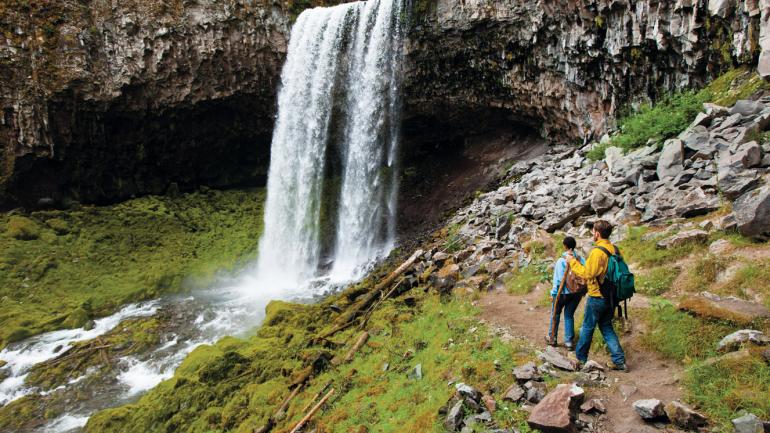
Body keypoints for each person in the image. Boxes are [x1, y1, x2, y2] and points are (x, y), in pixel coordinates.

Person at [566, 220, 628, 372]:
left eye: (593, 231)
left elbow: (587, 274)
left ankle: (580, 359)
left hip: (597, 296)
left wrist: (572, 262)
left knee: (588, 327)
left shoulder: (597, 252)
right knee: (606, 327)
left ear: (598, 233)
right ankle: (619, 361)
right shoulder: (614, 249)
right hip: (612, 296)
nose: (592, 233)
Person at [546, 236, 584, 350]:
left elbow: (558, 280)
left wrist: (553, 294)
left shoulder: (562, 260)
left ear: (565, 246)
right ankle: (569, 342)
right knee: (569, 315)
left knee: (556, 313)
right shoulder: (580, 259)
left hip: (563, 293)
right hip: (576, 293)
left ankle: (552, 338)